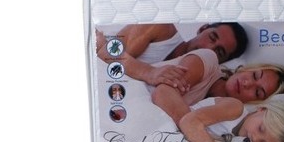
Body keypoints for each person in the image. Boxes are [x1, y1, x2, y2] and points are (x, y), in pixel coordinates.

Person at [148, 49, 284, 131]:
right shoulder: (208, 61)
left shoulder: (228, 116)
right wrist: (198, 135)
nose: (247, 84)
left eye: (257, 92)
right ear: (248, 69)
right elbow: (163, 92)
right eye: (254, 75)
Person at [95, 22, 248, 86]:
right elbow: (106, 56)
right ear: (202, 29)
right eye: (212, 37)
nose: (207, 47)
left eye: (218, 52)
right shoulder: (161, 28)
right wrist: (149, 72)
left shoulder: (194, 79)